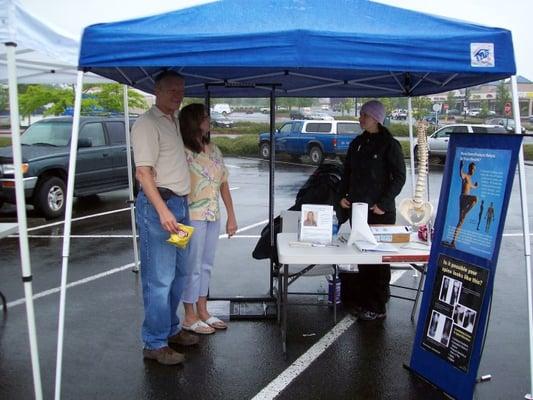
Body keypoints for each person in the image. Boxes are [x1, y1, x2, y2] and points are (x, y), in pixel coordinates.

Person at [132, 71, 199, 366]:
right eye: (172, 90)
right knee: (159, 280)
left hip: (179, 207)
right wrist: (163, 211)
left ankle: (170, 329)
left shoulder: (172, 120)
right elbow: (143, 173)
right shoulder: (146, 124)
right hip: (161, 208)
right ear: (156, 90)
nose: (178, 94)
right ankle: (155, 342)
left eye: (181, 89)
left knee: (179, 275)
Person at [339, 100, 406, 321]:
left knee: (378, 261)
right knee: (363, 258)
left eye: (364, 115)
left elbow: (399, 178)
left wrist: (384, 203)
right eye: (360, 115)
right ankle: (367, 299)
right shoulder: (357, 143)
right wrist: (344, 196)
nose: (360, 119)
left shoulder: (390, 144)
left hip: (380, 213)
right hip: (358, 211)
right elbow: (347, 173)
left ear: (376, 118)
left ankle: (377, 307)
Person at [179, 103, 238, 334]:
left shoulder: (213, 149)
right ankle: (189, 315)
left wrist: (231, 216)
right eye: (205, 117)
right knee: (190, 266)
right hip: (190, 216)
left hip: (212, 214)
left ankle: (202, 309)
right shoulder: (182, 152)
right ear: (194, 122)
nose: (209, 121)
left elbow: (224, 183)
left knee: (206, 265)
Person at [450, 160, 478, 247]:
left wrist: (476, 186)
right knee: (475, 198)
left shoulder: (470, 179)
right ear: (469, 168)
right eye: (472, 169)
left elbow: (472, 186)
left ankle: (453, 241)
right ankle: (465, 212)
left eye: (474, 170)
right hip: (463, 197)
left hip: (466, 200)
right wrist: (461, 166)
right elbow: (461, 174)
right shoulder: (465, 175)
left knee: (461, 222)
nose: (473, 171)